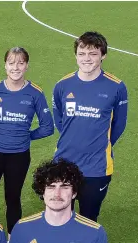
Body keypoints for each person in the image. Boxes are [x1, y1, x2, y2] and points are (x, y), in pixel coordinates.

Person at [0, 47, 54, 235]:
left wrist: (26, 135)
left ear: (27, 66)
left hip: (19, 156)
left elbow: (48, 127)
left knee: (13, 197)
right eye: (11, 63)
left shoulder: (35, 94)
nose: (16, 67)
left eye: (21, 63)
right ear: (5, 65)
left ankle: (12, 239)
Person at [52, 31, 128, 221]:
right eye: (82, 53)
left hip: (97, 168)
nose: (87, 58)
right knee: (60, 216)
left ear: (103, 55)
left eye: (93, 53)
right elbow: (60, 121)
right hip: (64, 164)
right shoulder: (62, 85)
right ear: (76, 55)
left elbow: (118, 125)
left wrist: (99, 143)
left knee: (88, 219)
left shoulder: (116, 87)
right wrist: (73, 138)